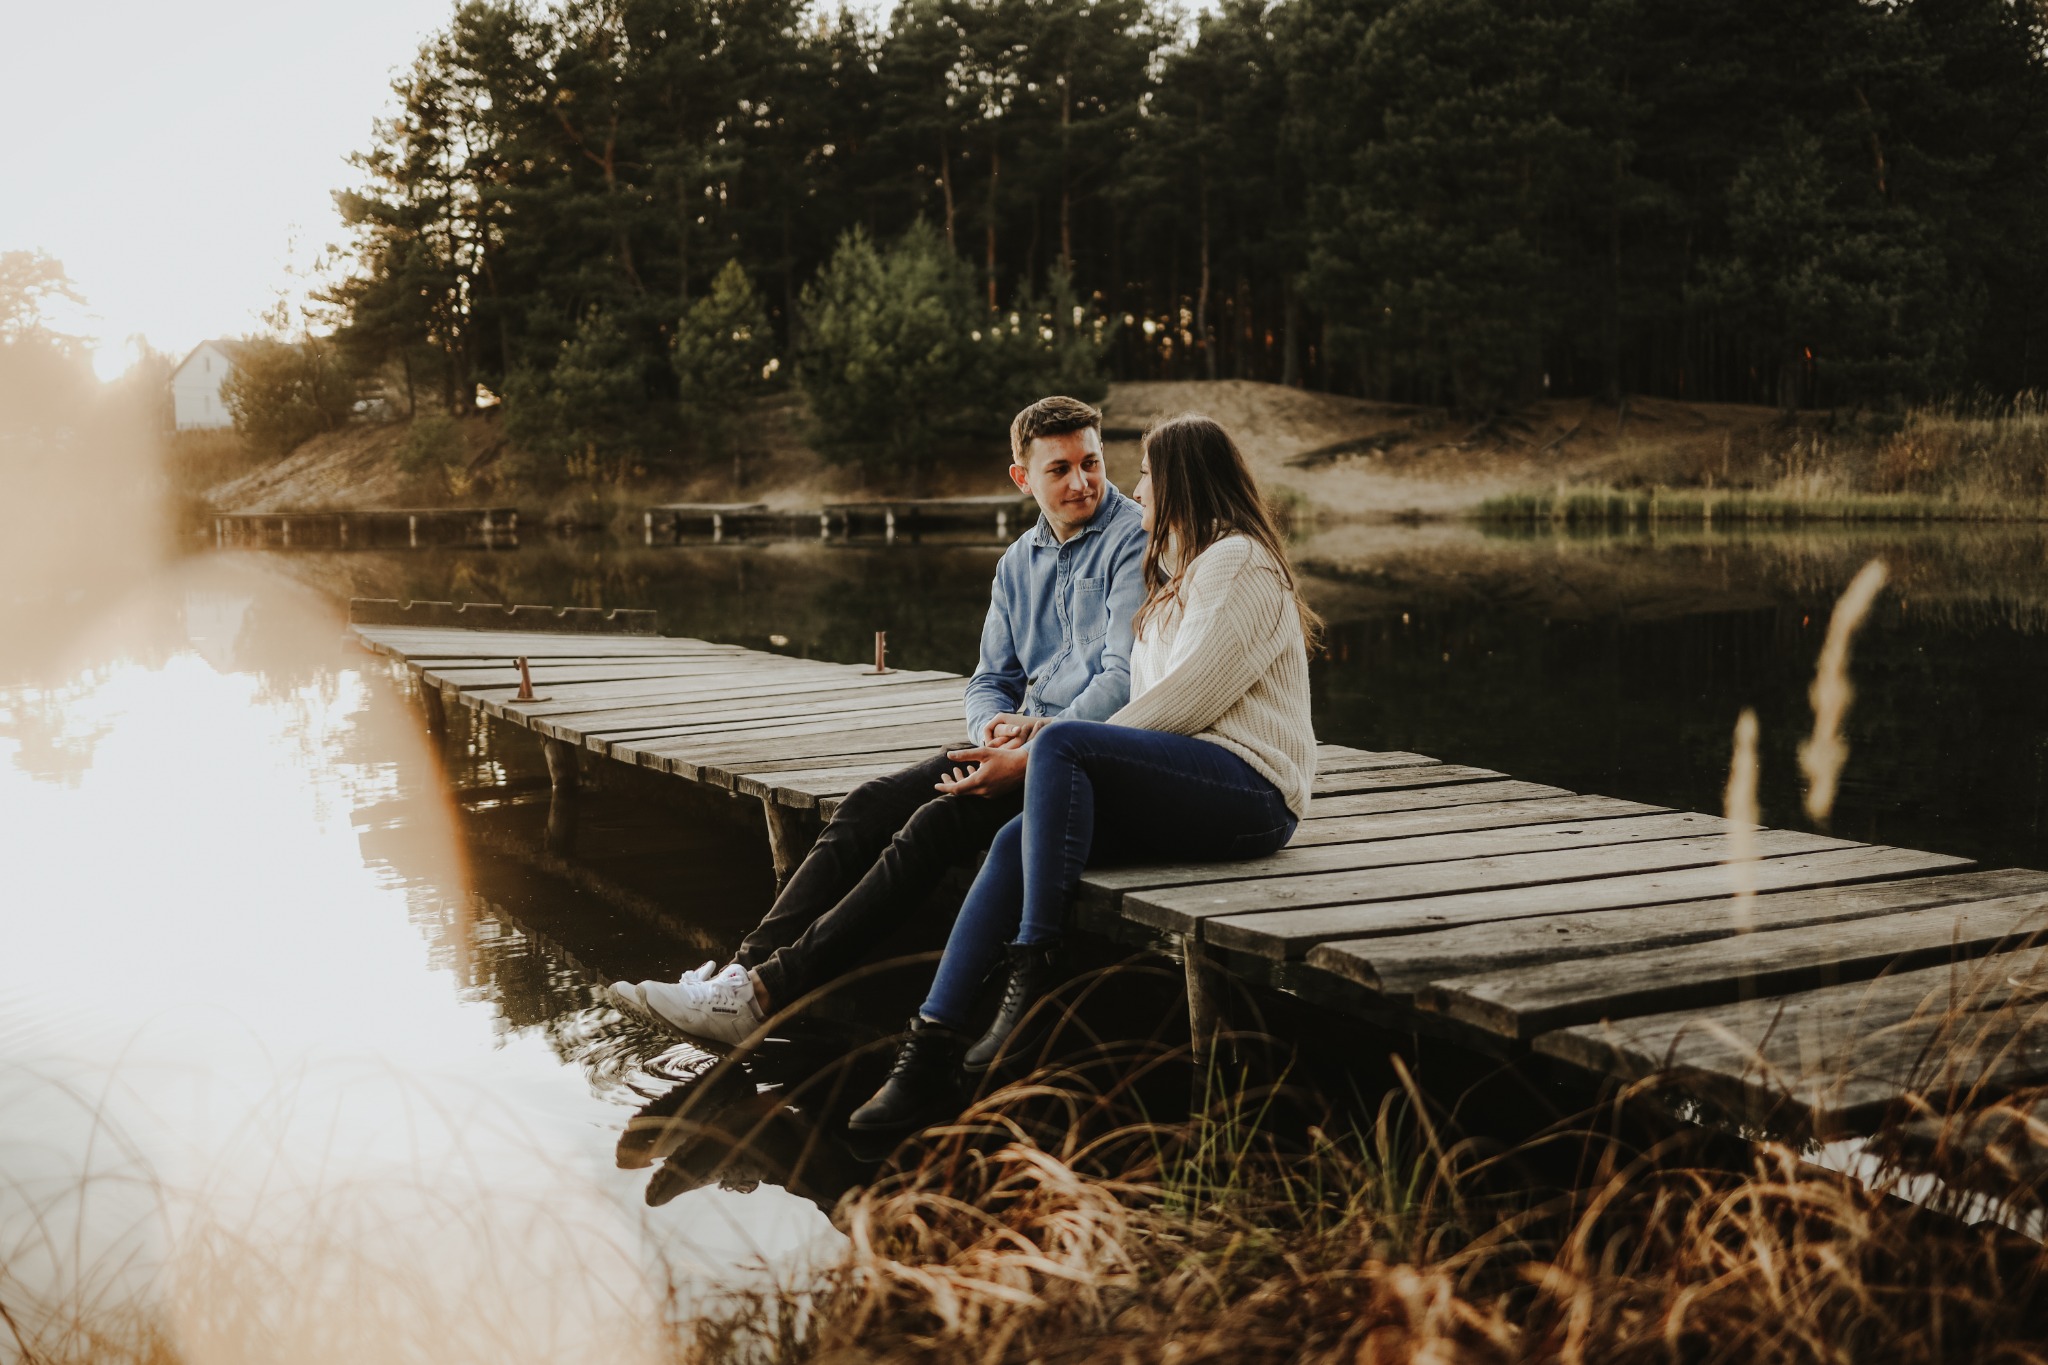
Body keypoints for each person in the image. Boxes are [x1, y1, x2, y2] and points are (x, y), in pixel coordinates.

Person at [611, 396, 1148, 1046]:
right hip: (1013, 745)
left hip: (1079, 759)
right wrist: (990, 731)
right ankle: (737, 975)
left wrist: (1032, 736)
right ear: (1022, 478)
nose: (1082, 482)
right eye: (1059, 468)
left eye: (1090, 463)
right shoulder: (1016, 564)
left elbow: (1122, 678)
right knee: (868, 804)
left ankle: (764, 994)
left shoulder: (1134, 538)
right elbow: (989, 681)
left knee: (934, 825)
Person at [847, 413, 1321, 1134]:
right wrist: (1042, 733)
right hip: (1191, 781)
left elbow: (1185, 701)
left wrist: (1047, 745)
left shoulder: (1239, 563)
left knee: (1063, 748)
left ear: (1183, 480)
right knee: (1017, 838)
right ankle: (926, 1054)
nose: (1137, 488)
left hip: (1252, 789)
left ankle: (1036, 967)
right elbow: (1146, 704)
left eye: (1149, 475)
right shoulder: (1181, 574)